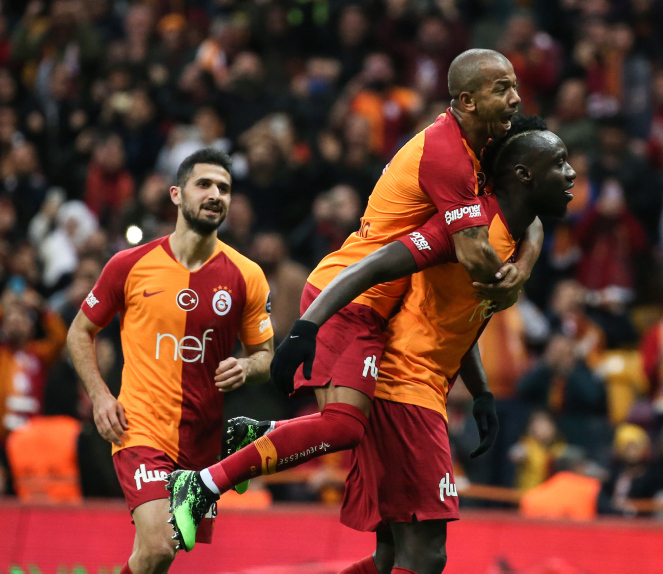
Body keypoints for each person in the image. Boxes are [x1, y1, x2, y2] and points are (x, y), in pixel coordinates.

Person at [165, 48, 538, 551]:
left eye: (515, 86)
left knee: (349, 440)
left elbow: (522, 223)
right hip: (350, 293)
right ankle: (202, 484)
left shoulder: (474, 153)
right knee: (343, 428)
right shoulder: (448, 155)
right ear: (467, 101)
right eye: (502, 88)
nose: (515, 99)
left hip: (376, 306)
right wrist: (514, 280)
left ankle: (257, 434)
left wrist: (522, 268)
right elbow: (478, 257)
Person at [66, 148, 274, 572]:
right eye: (204, 184)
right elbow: (78, 332)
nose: (216, 195)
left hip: (202, 439)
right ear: (176, 194)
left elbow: (265, 357)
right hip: (140, 428)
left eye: (224, 188)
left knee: (154, 557)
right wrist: (101, 396)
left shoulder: (247, 275)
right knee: (160, 545)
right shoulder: (129, 265)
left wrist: (247, 367)